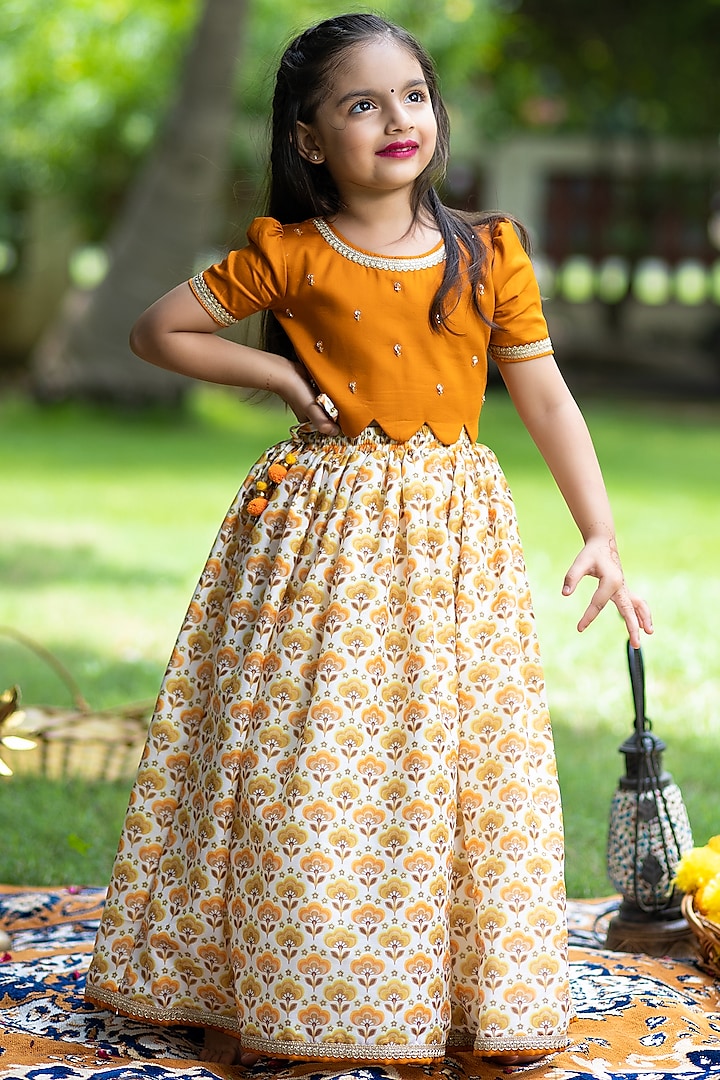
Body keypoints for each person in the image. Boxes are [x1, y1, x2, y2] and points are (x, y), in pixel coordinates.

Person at [85, 12, 653, 1069]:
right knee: (312, 758)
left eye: (414, 95)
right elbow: (157, 329)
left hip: (452, 546)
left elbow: (547, 401)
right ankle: (290, 982)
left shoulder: (490, 252)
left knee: (451, 760)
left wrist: (601, 533)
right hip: (323, 546)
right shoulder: (290, 254)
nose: (397, 118)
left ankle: (430, 982)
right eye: (361, 102)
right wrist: (281, 377)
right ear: (308, 138)